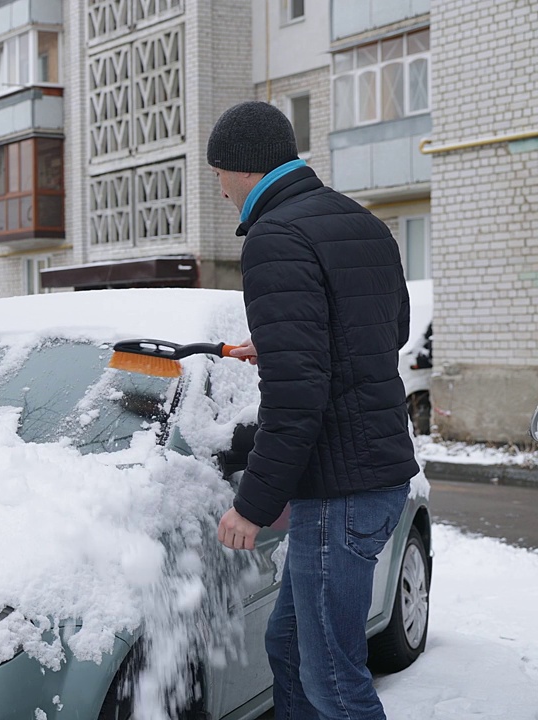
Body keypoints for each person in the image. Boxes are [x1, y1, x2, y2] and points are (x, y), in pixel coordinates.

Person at [207, 101, 420, 720]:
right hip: (377, 477)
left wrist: (254, 504)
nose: (219, 189)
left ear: (243, 168)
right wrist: (283, 342)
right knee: (291, 647)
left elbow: (298, 397)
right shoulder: (359, 221)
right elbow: (390, 330)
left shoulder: (276, 237)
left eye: (218, 172)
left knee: (333, 681)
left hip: (339, 491)